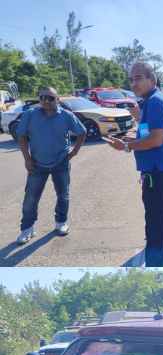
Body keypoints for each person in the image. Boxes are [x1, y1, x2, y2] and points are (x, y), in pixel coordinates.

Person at [105, 62, 163, 267]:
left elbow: (156, 140)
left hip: (157, 174)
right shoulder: (151, 102)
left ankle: (157, 269)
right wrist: (136, 127)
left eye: (138, 78)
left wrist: (127, 147)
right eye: (131, 79)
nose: (133, 83)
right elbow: (151, 133)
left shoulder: (155, 102)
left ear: (151, 79)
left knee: (156, 227)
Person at [15, 86, 87, 245]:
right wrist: (27, 159)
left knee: (63, 195)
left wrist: (74, 152)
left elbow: (82, 132)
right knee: (31, 198)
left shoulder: (67, 116)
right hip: (37, 164)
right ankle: (27, 229)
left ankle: (61, 223)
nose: (46, 101)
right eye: (42, 98)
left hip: (60, 162)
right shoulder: (30, 115)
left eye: (50, 98)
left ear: (58, 99)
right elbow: (21, 136)